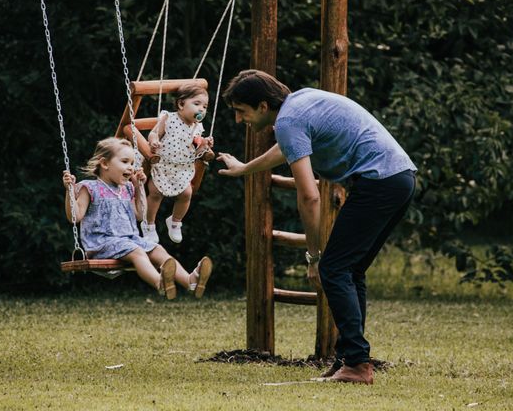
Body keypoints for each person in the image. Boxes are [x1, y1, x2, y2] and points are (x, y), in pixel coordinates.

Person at [217, 70, 416, 384]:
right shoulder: (299, 104)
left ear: (263, 107)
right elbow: (286, 148)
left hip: (378, 183)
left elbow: (310, 197)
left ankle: (357, 364)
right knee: (350, 270)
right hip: (399, 178)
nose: (240, 120)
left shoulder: (288, 121)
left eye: (242, 112)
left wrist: (313, 257)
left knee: (334, 269)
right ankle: (349, 361)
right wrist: (246, 169)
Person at [62, 137, 212, 299]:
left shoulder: (127, 188)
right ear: (105, 164)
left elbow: (140, 215)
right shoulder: (89, 188)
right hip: (102, 242)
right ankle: (160, 282)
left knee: (157, 248)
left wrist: (139, 187)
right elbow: (75, 217)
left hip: (128, 240)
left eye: (133, 163)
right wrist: (69, 190)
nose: (130, 168)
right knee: (137, 252)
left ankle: (190, 281)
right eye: (125, 162)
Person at [141, 84, 214, 244]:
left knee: (187, 194)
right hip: (162, 165)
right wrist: (154, 142)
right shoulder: (168, 118)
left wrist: (204, 144)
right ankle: (149, 224)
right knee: (155, 193)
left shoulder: (197, 127)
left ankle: (175, 222)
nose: (202, 109)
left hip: (182, 167)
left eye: (205, 106)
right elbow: (154, 133)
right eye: (197, 104)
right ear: (181, 104)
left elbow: (195, 149)